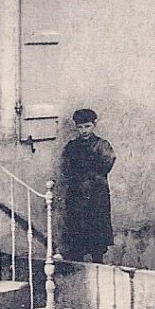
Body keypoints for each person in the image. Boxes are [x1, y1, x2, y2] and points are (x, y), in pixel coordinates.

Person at [59, 108, 116, 263]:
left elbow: (106, 164)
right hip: (77, 195)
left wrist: (89, 171)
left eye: (87, 126)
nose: (84, 131)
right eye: (80, 127)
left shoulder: (101, 145)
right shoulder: (71, 146)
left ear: (94, 125)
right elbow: (66, 168)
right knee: (77, 233)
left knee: (97, 234)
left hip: (96, 196)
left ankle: (98, 262)